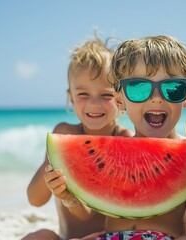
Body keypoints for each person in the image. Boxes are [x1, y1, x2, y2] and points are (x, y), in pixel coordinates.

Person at [46, 35, 186, 240]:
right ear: (119, 100)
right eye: (139, 88)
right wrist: (67, 197)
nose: (156, 98)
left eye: (172, 88)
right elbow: (92, 211)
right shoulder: (110, 155)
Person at [23, 34, 133, 240]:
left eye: (106, 95)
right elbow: (34, 199)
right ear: (71, 98)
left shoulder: (126, 140)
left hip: (107, 238)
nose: (94, 104)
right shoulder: (64, 134)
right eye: (83, 94)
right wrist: (53, 161)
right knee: (41, 235)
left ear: (121, 99)